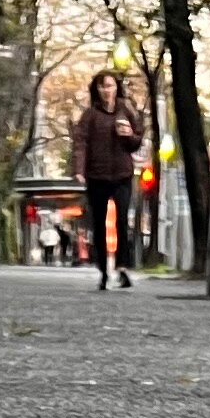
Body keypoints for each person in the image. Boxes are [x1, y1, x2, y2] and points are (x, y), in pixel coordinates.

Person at [72, 71, 143, 290]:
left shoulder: (126, 110)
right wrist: (79, 170)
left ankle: (122, 267)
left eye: (110, 86)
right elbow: (81, 143)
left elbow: (136, 141)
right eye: (102, 86)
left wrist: (129, 135)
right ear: (97, 90)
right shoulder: (90, 115)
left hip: (122, 175)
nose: (106, 90)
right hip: (97, 176)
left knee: (121, 220)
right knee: (99, 224)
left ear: (116, 88)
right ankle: (103, 271)